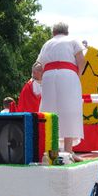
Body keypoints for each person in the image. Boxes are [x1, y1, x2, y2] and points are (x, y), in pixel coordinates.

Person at [36, 23, 86, 157]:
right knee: (69, 109)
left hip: (48, 77)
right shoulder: (73, 41)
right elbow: (81, 61)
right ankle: (68, 150)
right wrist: (77, 76)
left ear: (53, 32)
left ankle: (51, 149)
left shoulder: (46, 44)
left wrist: (40, 79)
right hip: (68, 75)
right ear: (67, 31)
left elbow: (38, 66)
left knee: (49, 109)